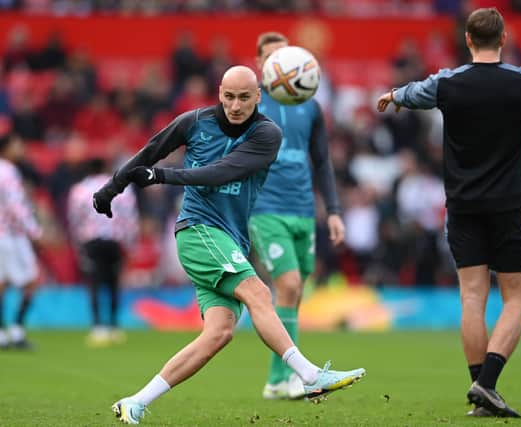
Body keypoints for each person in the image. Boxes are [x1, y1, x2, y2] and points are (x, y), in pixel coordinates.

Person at [92, 65, 365, 425]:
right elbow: (151, 150)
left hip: (228, 237)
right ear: (220, 93)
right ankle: (310, 376)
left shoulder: (268, 134)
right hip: (199, 230)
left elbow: (222, 171)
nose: (235, 105)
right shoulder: (194, 122)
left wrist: (162, 176)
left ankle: (135, 401)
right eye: (229, 97)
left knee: (219, 333)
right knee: (258, 293)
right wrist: (112, 187)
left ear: (258, 97)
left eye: (244, 98)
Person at [377, 7, 521, 418]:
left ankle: (479, 389)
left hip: (463, 206)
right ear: (503, 39)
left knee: (472, 296)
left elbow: (415, 91)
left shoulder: (449, 84)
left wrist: (393, 96)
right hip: (508, 206)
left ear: (467, 40)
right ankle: (486, 384)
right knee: (518, 299)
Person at [252, 31, 345, 400]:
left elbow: (322, 160)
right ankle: (295, 376)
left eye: (286, 57)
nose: (282, 67)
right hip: (265, 207)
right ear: (260, 63)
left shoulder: (311, 105)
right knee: (288, 284)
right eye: (272, 58)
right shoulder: (250, 103)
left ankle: (276, 380)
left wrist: (334, 210)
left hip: (303, 208)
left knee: (293, 292)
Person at [67, 158, 139, 347]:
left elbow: (74, 219)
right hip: (114, 241)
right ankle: (114, 326)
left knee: (95, 282)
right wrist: (130, 244)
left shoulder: (79, 190)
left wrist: (78, 243)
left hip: (91, 241)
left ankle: (98, 327)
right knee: (114, 282)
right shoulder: (122, 189)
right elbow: (130, 218)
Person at [0, 132, 42, 350]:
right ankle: (16, 330)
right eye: (17, 145)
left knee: (2, 284)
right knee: (32, 281)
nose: (21, 149)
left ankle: (2, 333)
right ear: (6, 148)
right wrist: (34, 230)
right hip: (11, 235)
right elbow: (16, 205)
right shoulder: (8, 171)